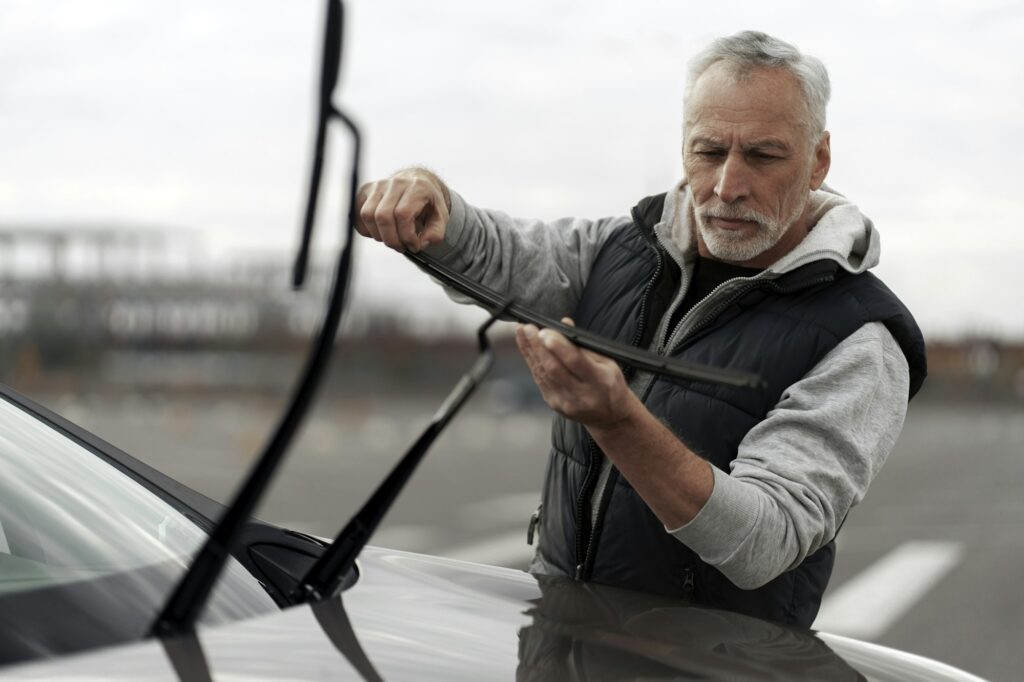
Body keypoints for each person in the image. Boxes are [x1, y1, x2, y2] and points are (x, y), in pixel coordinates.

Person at [353, 30, 927, 628]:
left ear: (819, 160)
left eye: (763, 155)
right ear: (683, 148)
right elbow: (506, 256)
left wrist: (617, 421)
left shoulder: (862, 338)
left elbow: (765, 540)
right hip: (559, 640)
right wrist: (432, 201)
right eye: (708, 152)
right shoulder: (624, 246)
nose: (728, 186)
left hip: (716, 669)